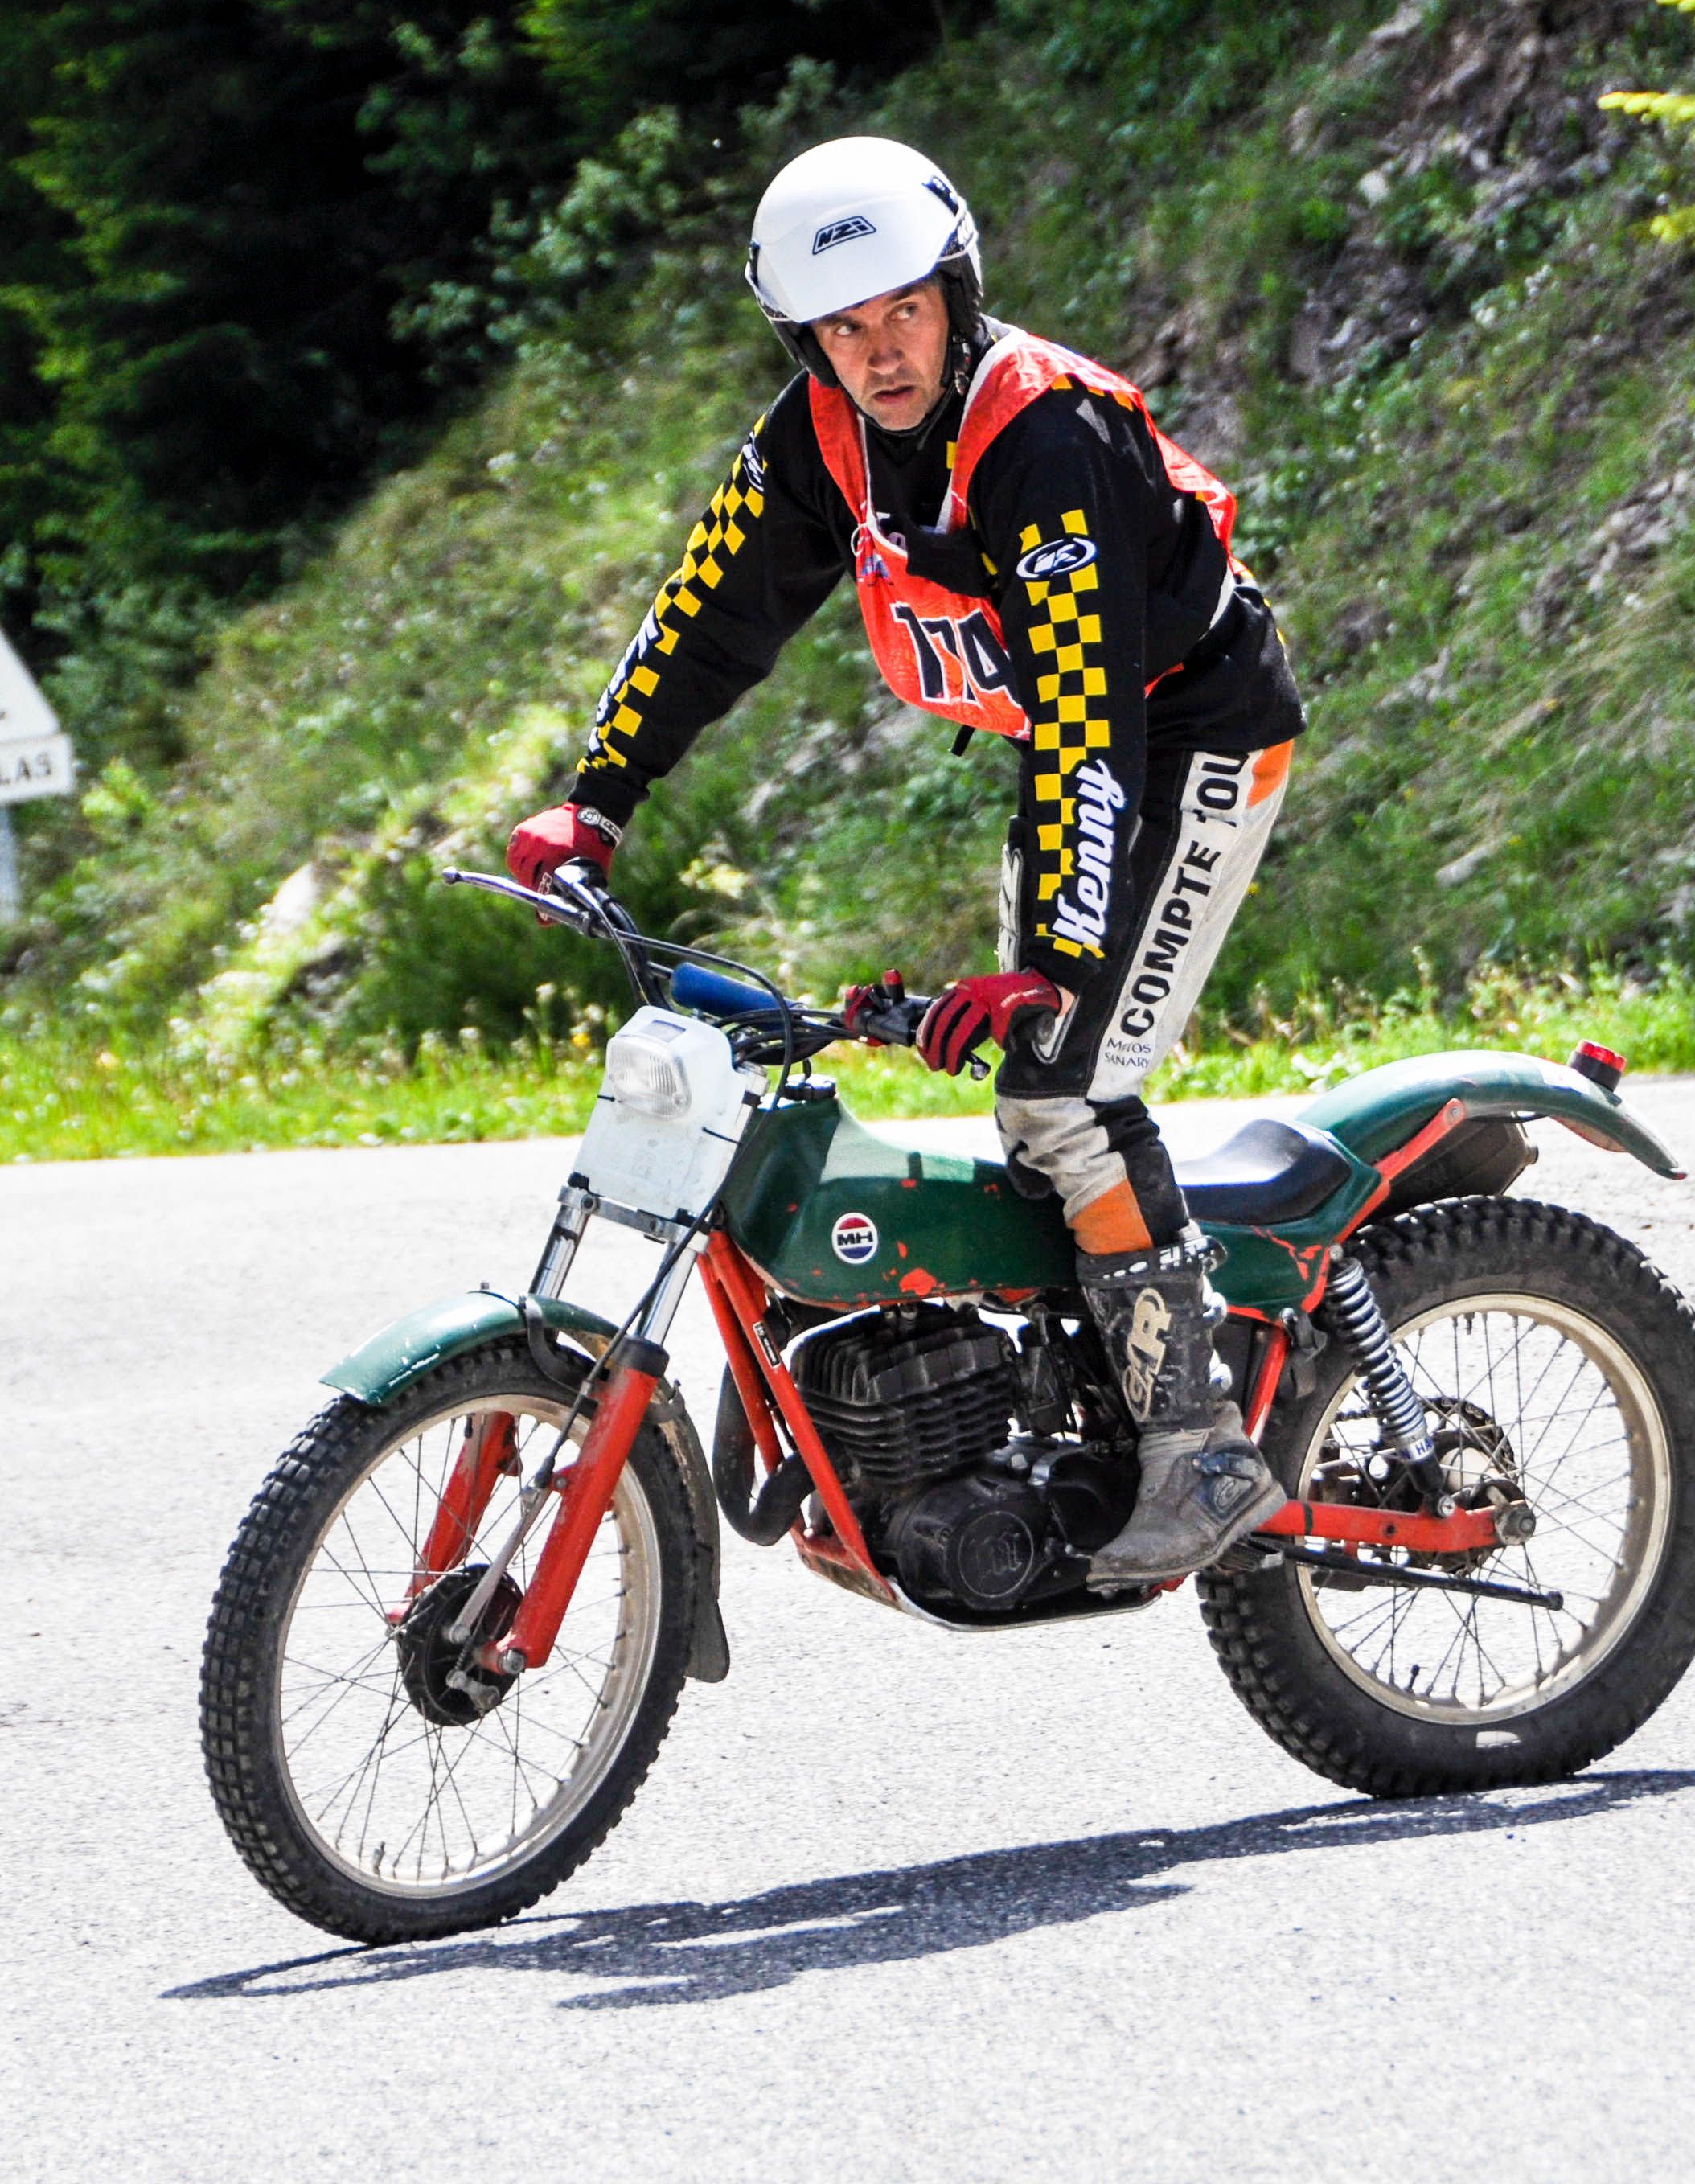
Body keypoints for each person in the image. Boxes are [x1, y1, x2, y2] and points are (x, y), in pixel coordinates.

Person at [507, 136, 1306, 1585]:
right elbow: (705, 616)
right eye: (842, 329)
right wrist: (595, 803)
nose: (878, 354)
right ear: (806, 340)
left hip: (1186, 732)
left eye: (904, 313)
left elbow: (1092, 721)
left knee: (1064, 1088)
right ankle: (1062, 1410)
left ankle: (1198, 1448)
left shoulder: (1043, 437)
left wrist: (1052, 963)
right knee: (1033, 1103)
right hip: (1077, 747)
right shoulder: (819, 435)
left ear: (956, 296)